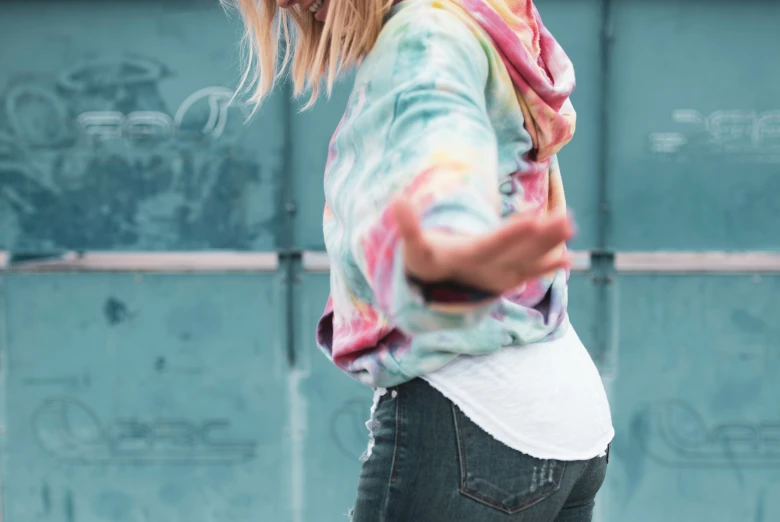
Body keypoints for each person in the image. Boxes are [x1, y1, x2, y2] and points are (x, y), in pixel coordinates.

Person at [222, 0, 614, 519]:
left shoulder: (422, 39)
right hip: (558, 414)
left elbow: (443, 172)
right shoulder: (479, 19)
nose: (289, 4)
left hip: (474, 419)